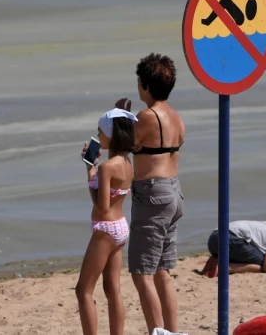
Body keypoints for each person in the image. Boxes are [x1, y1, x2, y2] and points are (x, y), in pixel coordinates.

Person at [129, 53, 185, 335]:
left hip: (152, 194)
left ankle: (158, 332)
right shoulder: (176, 118)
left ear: (146, 86)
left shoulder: (147, 116)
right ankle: (171, 331)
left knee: (142, 272)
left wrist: (119, 116)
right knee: (162, 270)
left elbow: (120, 144)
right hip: (173, 191)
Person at [76, 106, 138, 335]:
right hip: (121, 227)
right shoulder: (127, 163)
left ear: (111, 135)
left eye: (100, 131)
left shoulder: (106, 168)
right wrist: (91, 170)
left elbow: (102, 207)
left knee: (83, 290)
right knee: (113, 290)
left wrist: (91, 174)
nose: (98, 135)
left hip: (106, 229)